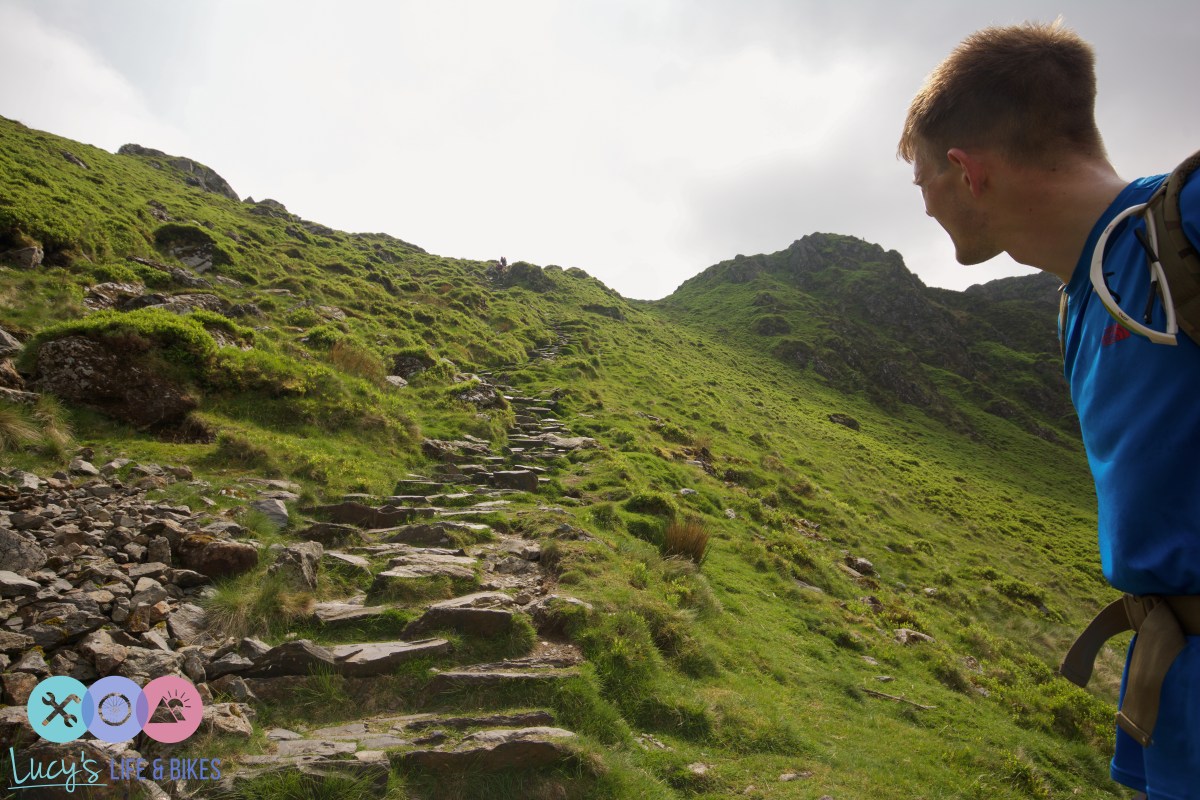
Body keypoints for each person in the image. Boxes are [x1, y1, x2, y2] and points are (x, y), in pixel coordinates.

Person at [898, 21, 1200, 800]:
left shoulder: (1186, 223)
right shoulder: (1077, 300)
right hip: (1174, 694)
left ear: (966, 171)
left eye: (922, 179)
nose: (924, 204)